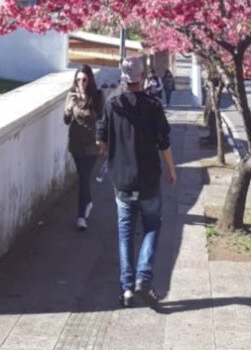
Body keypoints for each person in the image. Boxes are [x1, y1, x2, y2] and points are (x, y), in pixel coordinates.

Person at [97, 56, 176, 308]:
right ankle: (144, 277)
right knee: (152, 225)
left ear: (123, 77)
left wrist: (110, 152)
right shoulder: (153, 105)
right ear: (142, 77)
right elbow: (164, 142)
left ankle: (127, 289)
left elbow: (101, 140)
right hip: (149, 181)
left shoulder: (113, 105)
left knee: (125, 234)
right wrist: (171, 170)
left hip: (122, 183)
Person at [63, 65, 103, 231]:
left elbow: (101, 118)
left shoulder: (97, 95)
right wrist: (68, 109)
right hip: (76, 144)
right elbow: (66, 120)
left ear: (90, 79)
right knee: (83, 178)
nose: (81, 83)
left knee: (84, 178)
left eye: (84, 79)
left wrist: (103, 142)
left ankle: (81, 217)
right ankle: (88, 201)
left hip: (91, 145)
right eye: (78, 79)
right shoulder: (71, 96)